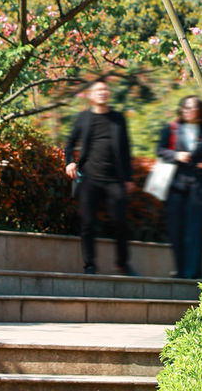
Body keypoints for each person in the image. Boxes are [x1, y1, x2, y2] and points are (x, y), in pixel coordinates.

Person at [64, 79, 135, 275]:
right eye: (98, 90)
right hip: (89, 179)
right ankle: (89, 265)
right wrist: (70, 162)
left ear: (109, 94)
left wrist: (129, 178)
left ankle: (122, 263)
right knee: (87, 223)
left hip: (115, 179)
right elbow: (69, 143)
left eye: (105, 89)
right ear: (90, 95)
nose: (102, 93)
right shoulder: (83, 118)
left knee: (120, 221)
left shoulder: (118, 118)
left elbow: (127, 148)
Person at [156, 95, 202, 280]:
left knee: (195, 231)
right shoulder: (172, 129)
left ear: (200, 111)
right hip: (176, 186)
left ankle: (193, 274)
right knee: (176, 231)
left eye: (193, 108)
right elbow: (160, 150)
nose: (189, 111)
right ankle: (180, 271)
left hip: (198, 187)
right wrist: (176, 155)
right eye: (186, 107)